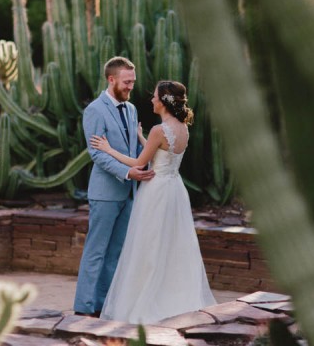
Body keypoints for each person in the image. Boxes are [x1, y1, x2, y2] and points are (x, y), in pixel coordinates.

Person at [90, 80, 216, 324]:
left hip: (156, 191)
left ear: (164, 101)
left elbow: (139, 163)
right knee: (170, 243)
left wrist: (107, 149)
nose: (151, 100)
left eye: (155, 97)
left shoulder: (159, 131)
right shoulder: (183, 128)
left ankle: (145, 298)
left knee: (147, 244)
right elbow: (160, 152)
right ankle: (172, 295)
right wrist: (140, 136)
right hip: (174, 189)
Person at [73, 56, 155, 317]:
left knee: (116, 252)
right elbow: (97, 154)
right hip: (106, 193)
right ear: (111, 80)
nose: (131, 86)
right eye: (126, 82)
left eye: (133, 81)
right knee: (96, 251)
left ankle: (103, 305)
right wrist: (128, 172)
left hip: (129, 193)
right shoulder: (95, 110)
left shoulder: (131, 110)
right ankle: (84, 308)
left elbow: (132, 148)